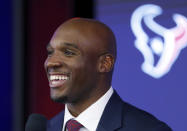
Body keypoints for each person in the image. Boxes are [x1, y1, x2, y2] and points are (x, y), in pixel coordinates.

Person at [44, 18, 172, 131]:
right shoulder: (44, 128)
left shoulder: (149, 129)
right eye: (50, 52)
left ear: (105, 63)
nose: (51, 62)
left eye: (68, 52)